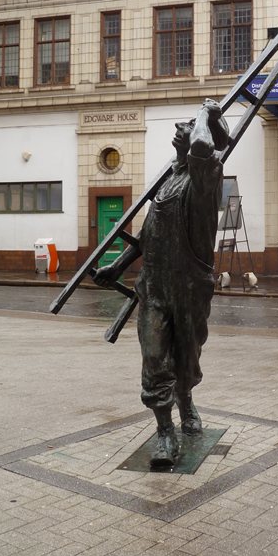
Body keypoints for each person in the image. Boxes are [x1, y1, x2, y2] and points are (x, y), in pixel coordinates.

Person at [94, 99, 229, 466]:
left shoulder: (206, 177)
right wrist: (118, 267)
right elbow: (149, 235)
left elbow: (204, 147)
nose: (179, 129)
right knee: (155, 359)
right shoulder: (168, 182)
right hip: (154, 288)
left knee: (187, 357)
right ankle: (165, 432)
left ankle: (186, 401)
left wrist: (206, 113)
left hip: (189, 289)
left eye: (186, 125)